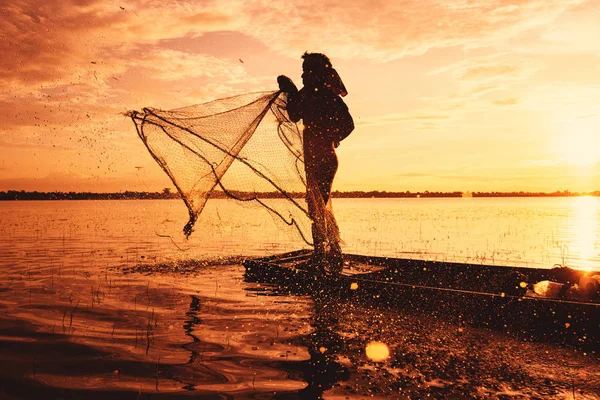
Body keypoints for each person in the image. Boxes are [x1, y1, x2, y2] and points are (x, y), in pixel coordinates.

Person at [278, 52, 354, 274]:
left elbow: (294, 115)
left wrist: (290, 92)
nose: (302, 76)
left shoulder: (311, 95)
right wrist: (334, 137)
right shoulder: (329, 96)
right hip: (327, 158)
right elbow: (348, 125)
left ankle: (322, 256)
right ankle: (332, 252)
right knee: (319, 205)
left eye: (305, 72)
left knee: (316, 206)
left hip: (319, 158)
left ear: (314, 73)